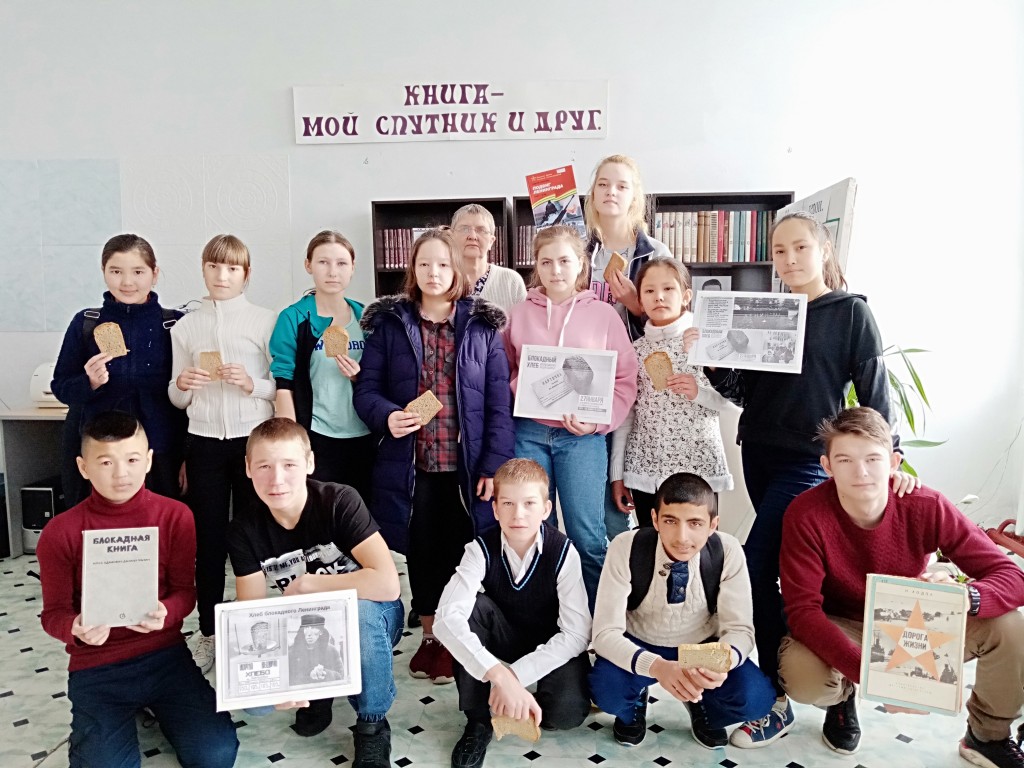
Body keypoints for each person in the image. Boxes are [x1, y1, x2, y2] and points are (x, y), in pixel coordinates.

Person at [701, 211, 919, 745]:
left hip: (811, 462)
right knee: (790, 572)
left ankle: (789, 700)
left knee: (752, 569)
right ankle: (821, 687)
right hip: (759, 453)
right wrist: (712, 356)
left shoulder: (850, 313)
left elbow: (874, 391)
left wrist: (889, 458)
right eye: (780, 251)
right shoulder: (768, 312)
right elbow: (741, 390)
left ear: (823, 250)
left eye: (800, 247)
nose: (790, 258)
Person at [777, 407, 1024, 766]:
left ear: (894, 462)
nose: (861, 472)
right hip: (843, 624)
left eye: (872, 459)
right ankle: (843, 698)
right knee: (803, 677)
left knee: (1010, 625)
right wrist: (874, 678)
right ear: (827, 466)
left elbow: (1012, 576)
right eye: (845, 460)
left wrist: (967, 598)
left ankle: (987, 737)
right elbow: (802, 611)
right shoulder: (805, 514)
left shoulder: (926, 504)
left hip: (914, 623)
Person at [353, 228, 515, 684]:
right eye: (424, 263)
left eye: (443, 264)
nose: (433, 272)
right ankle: (430, 637)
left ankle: (458, 635)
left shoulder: (482, 327)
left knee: (465, 552)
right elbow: (366, 391)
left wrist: (494, 466)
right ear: (413, 269)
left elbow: (499, 405)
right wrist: (387, 416)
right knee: (423, 551)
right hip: (413, 464)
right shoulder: (390, 324)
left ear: (456, 269)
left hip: (467, 465)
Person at [37, 411, 238, 768]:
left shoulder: (175, 516)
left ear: (148, 461)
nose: (121, 474)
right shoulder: (60, 531)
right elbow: (53, 614)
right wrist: (74, 627)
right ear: (83, 467)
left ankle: (156, 707)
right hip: (96, 666)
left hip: (165, 657)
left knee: (216, 754)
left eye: (132, 460)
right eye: (106, 462)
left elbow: (184, 592)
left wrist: (167, 613)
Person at [227, 418, 402, 768]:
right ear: (248, 468)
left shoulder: (339, 500)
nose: (277, 479)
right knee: (256, 703)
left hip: (373, 616)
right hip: (303, 626)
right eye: (264, 466)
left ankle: (372, 725)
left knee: (359, 616)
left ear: (309, 462)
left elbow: (387, 584)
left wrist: (311, 584)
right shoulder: (243, 529)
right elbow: (252, 614)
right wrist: (275, 682)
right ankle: (318, 687)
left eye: (289, 465)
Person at [589, 472, 775, 750]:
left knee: (756, 699)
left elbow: (740, 630)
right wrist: (657, 667)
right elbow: (604, 634)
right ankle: (633, 705)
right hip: (641, 642)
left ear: (712, 525)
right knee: (606, 691)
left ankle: (702, 704)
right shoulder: (625, 546)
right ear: (654, 519)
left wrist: (721, 663)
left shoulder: (728, 550)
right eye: (670, 521)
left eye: (695, 523)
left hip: (702, 649)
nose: (682, 537)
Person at [504, 224, 638, 607]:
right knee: (535, 533)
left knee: (588, 536)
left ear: (581, 264)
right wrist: (525, 388)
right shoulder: (518, 314)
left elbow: (626, 379)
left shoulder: (605, 316)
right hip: (529, 433)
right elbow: (505, 371)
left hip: (583, 439)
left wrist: (598, 422)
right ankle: (545, 618)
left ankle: (598, 623)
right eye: (546, 262)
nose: (556, 270)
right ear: (536, 266)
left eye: (564, 261)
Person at [434, 459, 592, 768]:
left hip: (550, 640)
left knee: (566, 715)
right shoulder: (479, 549)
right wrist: (498, 675)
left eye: (529, 503)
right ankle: (478, 721)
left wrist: (516, 677)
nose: (518, 514)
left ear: (546, 509)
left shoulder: (563, 552)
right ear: (495, 509)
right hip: (504, 634)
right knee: (469, 612)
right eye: (507, 503)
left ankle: (526, 699)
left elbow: (576, 634)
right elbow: (444, 620)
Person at [168, 234, 277, 674]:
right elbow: (176, 398)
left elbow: (281, 384)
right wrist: (182, 385)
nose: (222, 275)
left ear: (246, 274)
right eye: (214, 266)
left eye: (232, 268)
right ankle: (209, 632)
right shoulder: (185, 327)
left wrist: (253, 384)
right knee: (208, 539)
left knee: (255, 536)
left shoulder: (265, 320)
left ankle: (259, 624)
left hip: (252, 441)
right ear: (203, 269)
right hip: (204, 442)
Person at [51, 234, 186, 505]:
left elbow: (189, 401)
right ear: (103, 272)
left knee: (159, 523)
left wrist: (187, 457)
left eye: (138, 272)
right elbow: (61, 387)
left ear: (154, 274)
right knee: (99, 524)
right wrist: (89, 382)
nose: (127, 282)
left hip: (160, 454)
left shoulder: (174, 325)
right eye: (115, 271)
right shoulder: (86, 322)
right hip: (100, 454)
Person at [609, 258, 733, 535]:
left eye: (668, 288)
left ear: (686, 296)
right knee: (651, 543)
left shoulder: (705, 339)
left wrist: (698, 392)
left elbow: (730, 402)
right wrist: (617, 475)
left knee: (698, 543)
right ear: (639, 301)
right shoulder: (635, 350)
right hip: (645, 468)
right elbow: (626, 416)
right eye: (649, 291)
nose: (659, 297)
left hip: (698, 464)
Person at [270, 230, 373, 503]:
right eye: (323, 262)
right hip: (316, 435)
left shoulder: (366, 317)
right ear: (308, 265)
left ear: (352, 268)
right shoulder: (293, 317)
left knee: (361, 513)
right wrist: (292, 443)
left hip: (365, 434)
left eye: (341, 263)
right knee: (321, 511)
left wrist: (358, 377)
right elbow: (283, 382)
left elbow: (378, 379)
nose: (332, 272)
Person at [582, 153, 672, 340]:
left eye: (622, 186)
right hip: (585, 353)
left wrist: (635, 304)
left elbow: (672, 323)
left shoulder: (657, 254)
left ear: (634, 198)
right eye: (603, 184)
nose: (611, 192)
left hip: (637, 355)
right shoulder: (577, 253)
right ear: (593, 194)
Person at [451, 204, 527, 312]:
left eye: (481, 230)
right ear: (451, 237)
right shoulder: (439, 279)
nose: (472, 236)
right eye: (464, 229)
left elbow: (524, 322)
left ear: (491, 241)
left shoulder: (511, 281)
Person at [288, 614, 346, 685]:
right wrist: (309, 675)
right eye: (306, 628)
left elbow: (341, 676)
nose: (309, 634)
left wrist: (325, 673)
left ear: (321, 632)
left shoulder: (332, 651)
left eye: (313, 628)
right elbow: (288, 680)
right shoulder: (292, 652)